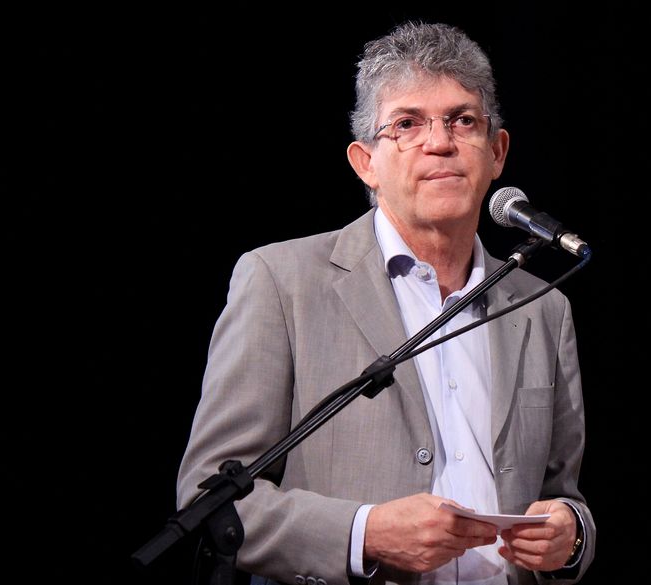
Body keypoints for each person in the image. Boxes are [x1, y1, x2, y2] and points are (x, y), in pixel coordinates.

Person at [177, 21, 595, 585]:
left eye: (462, 120)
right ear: (365, 162)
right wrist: (364, 534)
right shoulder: (281, 282)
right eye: (407, 124)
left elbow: (562, 495)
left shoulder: (542, 307)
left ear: (496, 152)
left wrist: (571, 534)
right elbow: (210, 499)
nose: (440, 142)